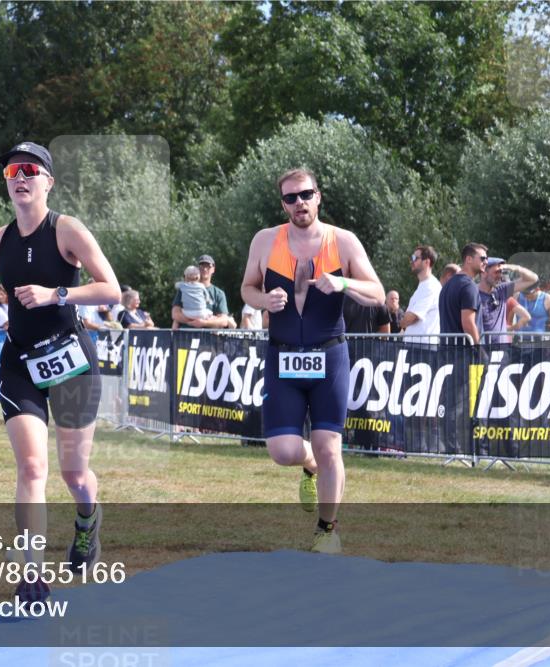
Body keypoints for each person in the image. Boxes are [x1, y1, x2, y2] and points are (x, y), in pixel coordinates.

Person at [0, 142, 120, 602]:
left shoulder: (66, 230)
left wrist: (57, 295)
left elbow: (110, 288)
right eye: (13, 170)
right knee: (32, 466)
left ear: (48, 181)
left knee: (74, 474)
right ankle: (32, 575)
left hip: (71, 359)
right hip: (20, 362)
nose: (20, 176)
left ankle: (89, 518)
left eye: (30, 169)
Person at [240, 167, 384, 555]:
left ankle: (327, 529)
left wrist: (344, 283)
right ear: (283, 204)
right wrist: (263, 301)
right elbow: (247, 287)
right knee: (284, 451)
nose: (299, 203)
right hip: (282, 354)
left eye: (305, 195)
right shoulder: (267, 241)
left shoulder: (344, 241)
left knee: (330, 446)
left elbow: (378, 292)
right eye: (290, 198)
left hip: (330, 355)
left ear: (318, 196)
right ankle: (308, 465)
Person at [477, 257, 538, 344]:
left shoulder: (501, 290)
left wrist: (516, 268)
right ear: (483, 273)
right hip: (481, 350)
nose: (500, 276)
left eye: (501, 272)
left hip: (502, 349)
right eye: (496, 272)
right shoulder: (473, 294)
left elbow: (533, 279)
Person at [439, 244, 486, 345]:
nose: (485, 262)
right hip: (464, 354)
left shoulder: (447, 285)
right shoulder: (469, 286)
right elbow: (468, 324)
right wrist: (480, 350)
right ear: (469, 259)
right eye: (482, 258)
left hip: (446, 352)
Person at [172, 254, 236, 329]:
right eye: (202, 266)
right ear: (197, 269)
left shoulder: (219, 293)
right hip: (185, 336)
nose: (205, 269)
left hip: (209, 338)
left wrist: (204, 323)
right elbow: (175, 314)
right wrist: (192, 322)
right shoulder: (185, 288)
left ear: (213, 269)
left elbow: (224, 320)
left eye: (208, 266)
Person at [402, 245, 442, 342]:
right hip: (417, 346)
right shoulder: (423, 285)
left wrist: (403, 321)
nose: (412, 261)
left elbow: (409, 319)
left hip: (423, 348)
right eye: (412, 257)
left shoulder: (431, 286)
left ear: (427, 262)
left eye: (415, 258)